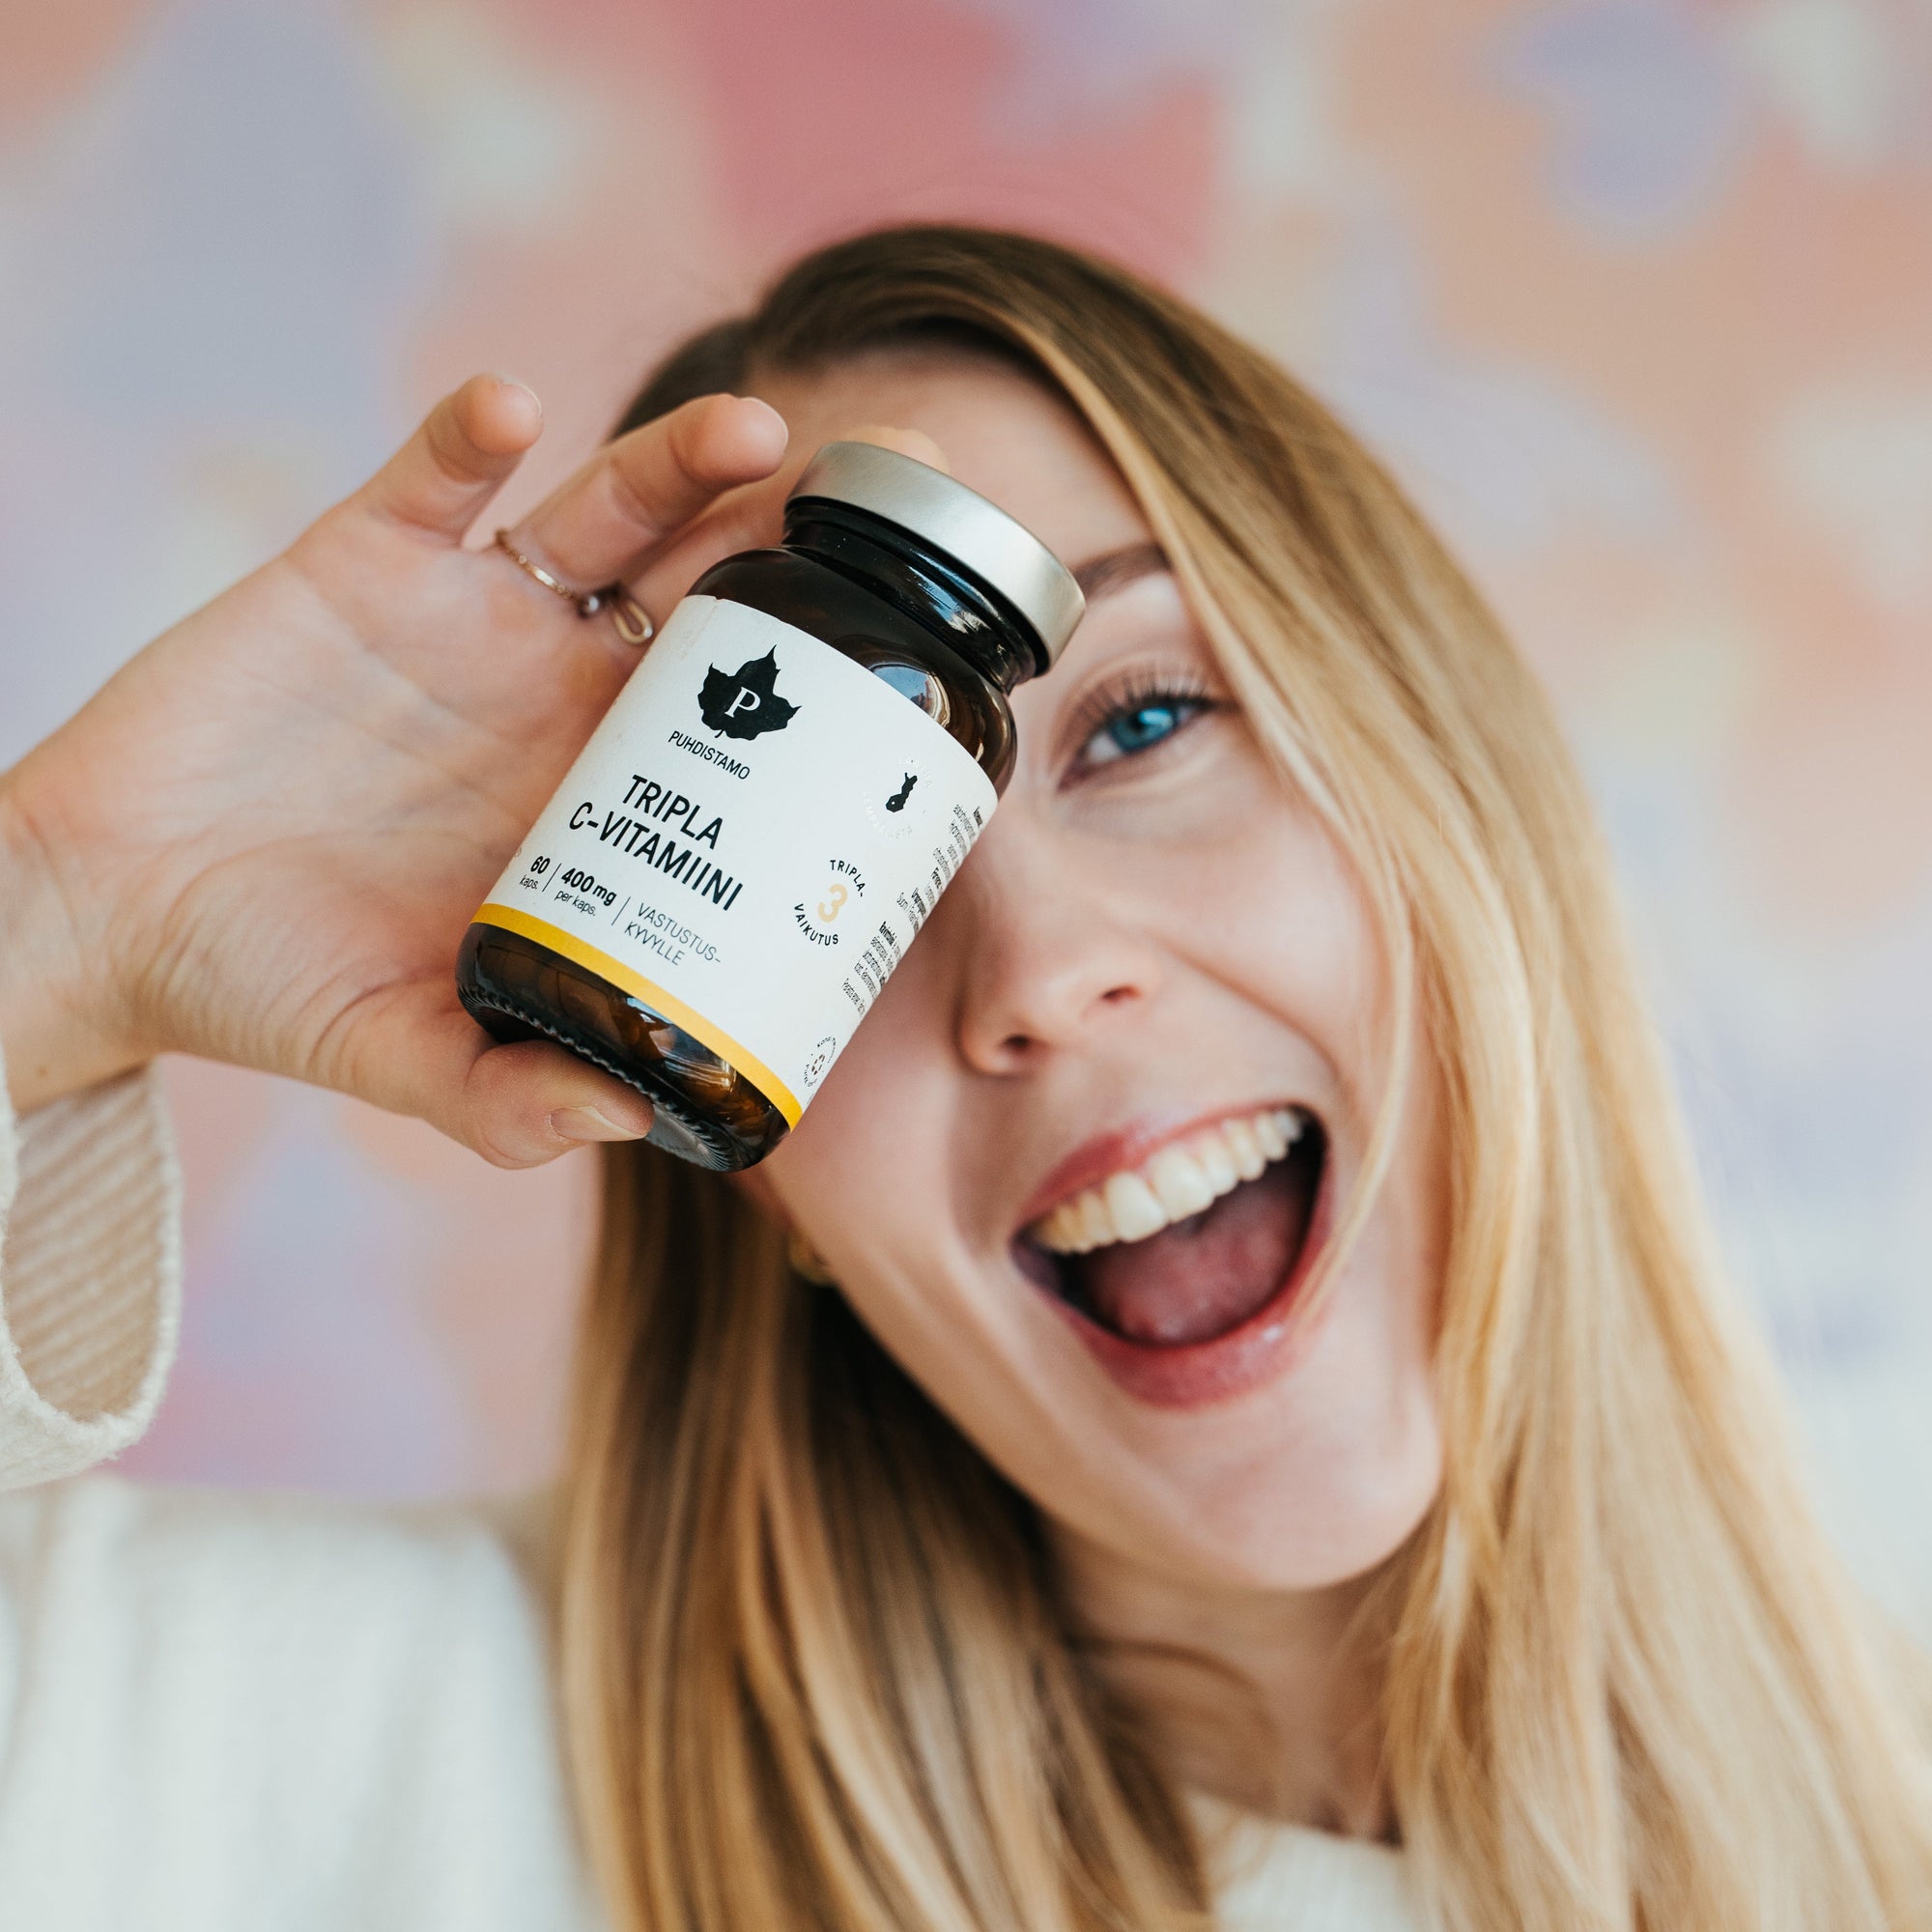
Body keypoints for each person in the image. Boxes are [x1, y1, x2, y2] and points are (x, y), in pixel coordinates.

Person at [0, 225, 1925, 1931]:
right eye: (828, 880)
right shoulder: (337, 1751)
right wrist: (51, 916)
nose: (1031, 975)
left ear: (1459, 801)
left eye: (1148, 719)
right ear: (752, 1168)